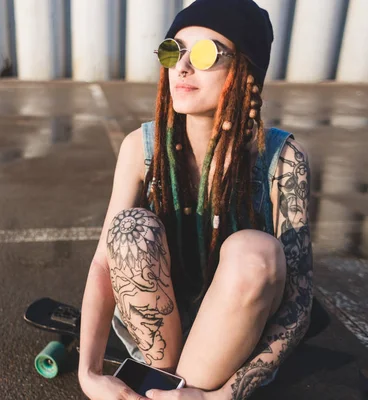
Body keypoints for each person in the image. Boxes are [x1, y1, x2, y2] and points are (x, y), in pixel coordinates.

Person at [78, 0, 313, 399]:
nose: (182, 67)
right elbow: (104, 261)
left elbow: (298, 304)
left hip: (233, 340)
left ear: (246, 71)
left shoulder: (283, 160)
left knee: (255, 251)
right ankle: (162, 384)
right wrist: (89, 372)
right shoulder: (141, 148)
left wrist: (216, 398)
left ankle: (188, 387)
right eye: (173, 50)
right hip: (158, 338)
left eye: (206, 54)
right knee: (129, 230)